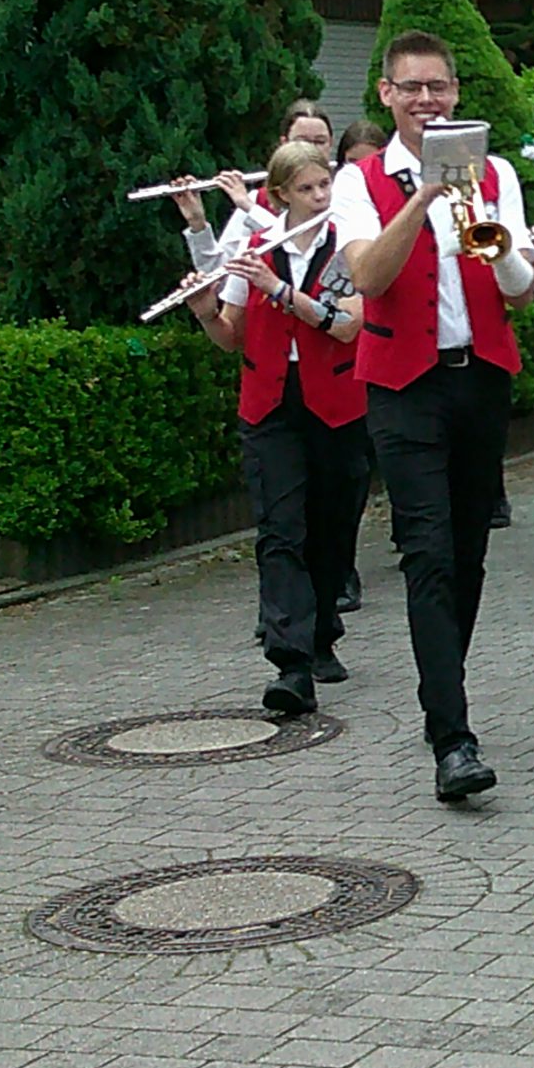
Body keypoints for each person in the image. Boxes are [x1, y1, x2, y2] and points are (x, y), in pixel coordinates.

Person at [329, 30, 534, 803]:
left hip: (479, 376)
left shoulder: (497, 173)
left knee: (470, 551)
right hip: (401, 385)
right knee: (429, 555)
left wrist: (493, 235)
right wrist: (423, 197)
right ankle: (453, 737)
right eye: (411, 88)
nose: (427, 100)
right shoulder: (360, 181)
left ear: (456, 93)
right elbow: (369, 275)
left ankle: (440, 688)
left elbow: (520, 290)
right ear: (387, 95)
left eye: (438, 87)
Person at [183, 140, 370, 717]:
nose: (319, 197)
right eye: (307, 189)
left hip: (335, 401)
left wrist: (281, 292)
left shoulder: (348, 247)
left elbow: (346, 326)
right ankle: (291, 662)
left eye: (324, 186)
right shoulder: (254, 248)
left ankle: (322, 631)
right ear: (281, 194)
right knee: (279, 530)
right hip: (270, 404)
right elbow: (229, 335)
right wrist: (205, 309)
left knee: (332, 526)